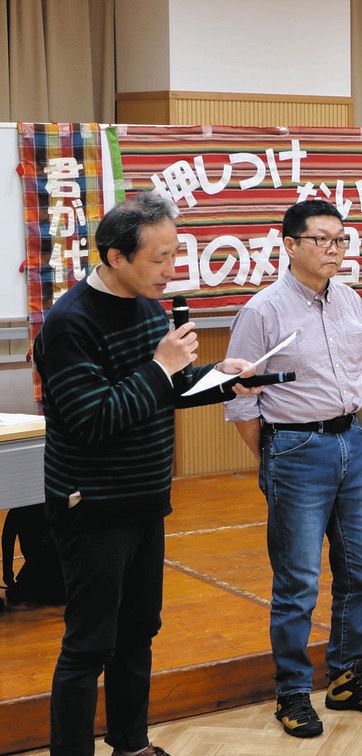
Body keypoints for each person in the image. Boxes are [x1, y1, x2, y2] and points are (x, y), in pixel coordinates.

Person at [34, 193, 256, 756]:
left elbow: (166, 390)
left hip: (145, 499)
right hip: (92, 506)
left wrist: (219, 377)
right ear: (116, 256)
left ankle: (131, 745)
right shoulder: (69, 323)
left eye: (175, 254)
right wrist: (162, 366)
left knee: (138, 632)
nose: (171, 269)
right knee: (89, 644)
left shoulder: (148, 306)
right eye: (160, 258)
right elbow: (93, 419)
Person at [224, 199, 362, 738]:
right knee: (298, 581)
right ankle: (293, 692)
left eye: (340, 240)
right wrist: (274, 455)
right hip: (294, 447)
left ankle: (347, 677)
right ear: (290, 245)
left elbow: (353, 373)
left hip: (351, 440)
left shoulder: (350, 300)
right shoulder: (262, 311)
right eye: (321, 239)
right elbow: (240, 402)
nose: (333, 249)